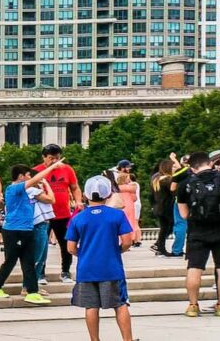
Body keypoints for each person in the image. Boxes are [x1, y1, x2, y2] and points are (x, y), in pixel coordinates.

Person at [65, 176, 135, 341]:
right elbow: (127, 241)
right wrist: (116, 251)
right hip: (111, 268)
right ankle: (127, 339)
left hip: (87, 268)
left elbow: (70, 247)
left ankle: (95, 339)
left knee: (91, 306)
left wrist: (83, 254)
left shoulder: (77, 218)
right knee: (120, 304)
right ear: (108, 194)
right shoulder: (117, 215)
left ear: (86, 195)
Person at [0, 164, 55, 305]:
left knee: (28, 262)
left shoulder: (27, 191)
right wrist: (53, 167)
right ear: (21, 176)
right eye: (28, 175)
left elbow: (48, 197)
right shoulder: (13, 188)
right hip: (13, 230)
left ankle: (32, 292)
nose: (31, 178)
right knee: (10, 260)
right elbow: (37, 178)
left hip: (27, 229)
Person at [176, 149, 220, 317]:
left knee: (194, 268)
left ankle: (193, 305)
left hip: (197, 231)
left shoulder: (185, 184)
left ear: (191, 167)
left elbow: (183, 214)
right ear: (210, 163)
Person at [35, 143, 84, 283]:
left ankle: (66, 272)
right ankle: (40, 273)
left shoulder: (67, 169)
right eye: (51, 158)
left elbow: (75, 187)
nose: (55, 161)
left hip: (63, 214)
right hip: (44, 215)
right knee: (41, 245)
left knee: (66, 244)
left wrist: (78, 201)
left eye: (57, 158)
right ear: (44, 157)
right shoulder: (36, 171)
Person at [151, 158, 177, 257]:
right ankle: (160, 247)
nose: (175, 168)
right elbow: (173, 192)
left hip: (158, 206)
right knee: (167, 228)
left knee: (165, 228)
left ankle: (159, 246)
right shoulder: (167, 180)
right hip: (166, 207)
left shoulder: (157, 179)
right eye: (173, 166)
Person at [112, 162, 140, 246]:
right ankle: (130, 239)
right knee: (130, 222)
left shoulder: (116, 188)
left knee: (119, 223)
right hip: (129, 206)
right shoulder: (132, 187)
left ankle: (119, 240)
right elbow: (135, 198)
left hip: (118, 206)